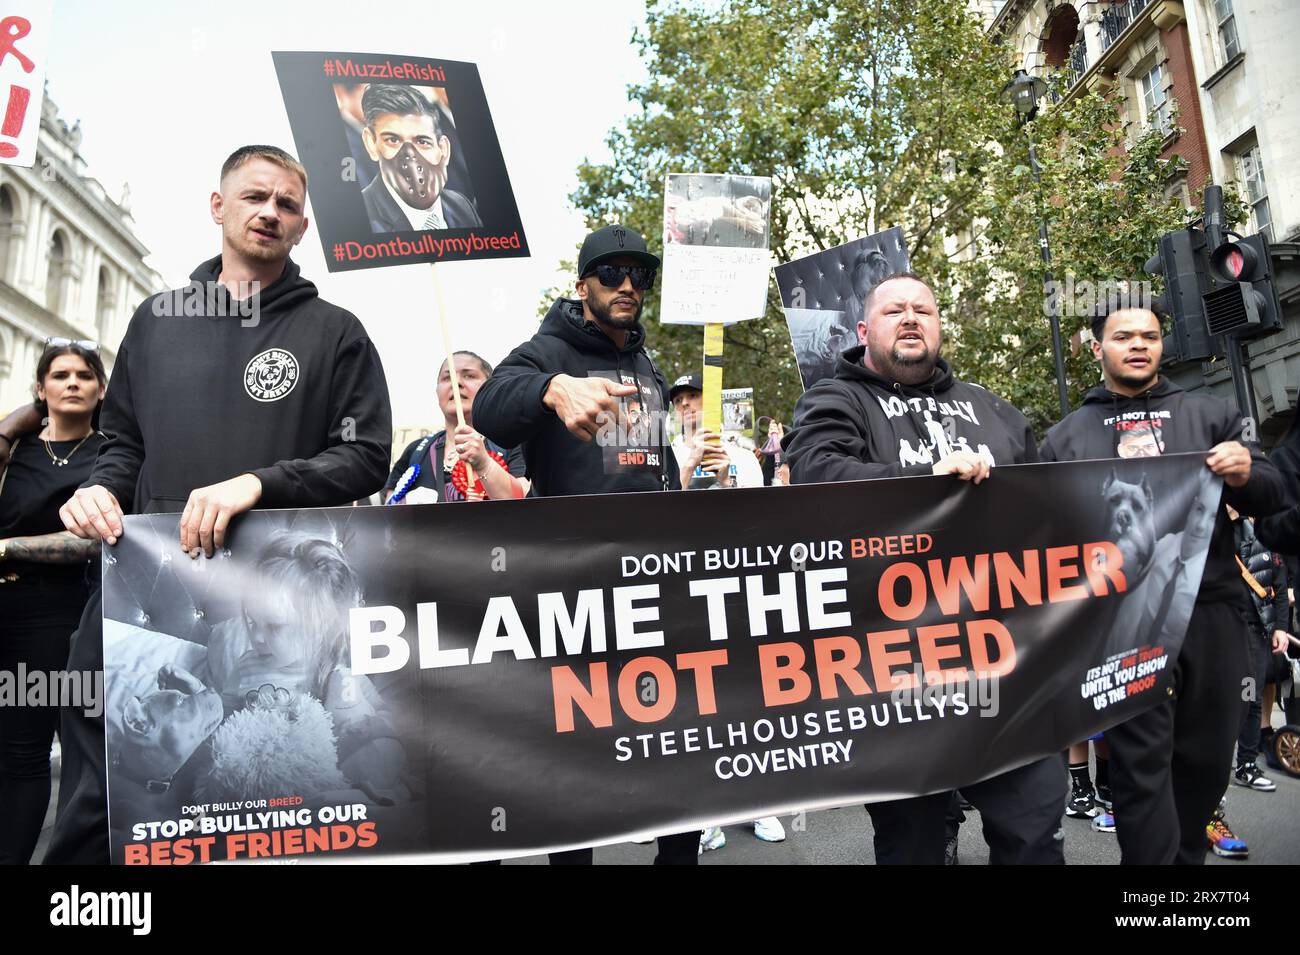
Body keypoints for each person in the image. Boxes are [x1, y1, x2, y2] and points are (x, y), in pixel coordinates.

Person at [46, 144, 393, 864]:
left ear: (303, 227)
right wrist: (99, 491)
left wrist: (261, 482)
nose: (270, 212)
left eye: (288, 205)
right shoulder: (157, 320)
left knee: (246, 819)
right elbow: (120, 442)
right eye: (254, 196)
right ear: (218, 207)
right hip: (139, 603)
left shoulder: (336, 334)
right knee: (103, 805)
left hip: (260, 616)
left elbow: (364, 456)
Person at [783, 271, 1063, 865]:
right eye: (893, 311)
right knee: (914, 844)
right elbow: (815, 478)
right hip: (896, 676)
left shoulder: (996, 410)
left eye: (923, 310)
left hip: (1005, 665)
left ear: (939, 327)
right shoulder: (836, 400)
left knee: (1034, 829)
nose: (910, 318)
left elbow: (1047, 513)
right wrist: (923, 483)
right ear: (863, 331)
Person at [473, 223, 698, 864]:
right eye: (611, 274)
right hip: (578, 591)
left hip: (654, 586)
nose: (628, 286)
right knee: (577, 753)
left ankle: (678, 856)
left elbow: (643, 468)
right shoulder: (546, 350)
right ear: (582, 286)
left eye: (640, 276)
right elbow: (489, 403)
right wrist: (550, 389)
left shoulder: (646, 362)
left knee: (671, 737)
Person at [1038, 297, 1284, 864]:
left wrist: (1247, 474)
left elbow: (1275, 496)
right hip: (1120, 625)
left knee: (1204, 760)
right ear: (1097, 348)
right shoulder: (1066, 439)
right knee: (1140, 767)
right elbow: (1042, 536)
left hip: (1212, 612)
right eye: (1124, 336)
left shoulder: (1212, 415)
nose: (1139, 345)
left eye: (1149, 335)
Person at [0, 341, 108, 864]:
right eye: (59, 374)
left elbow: (94, 539)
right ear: (40, 388)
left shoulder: (109, 457)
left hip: (53, 616)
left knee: (24, 752)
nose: (72, 382)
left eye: (84, 375)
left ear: (101, 389)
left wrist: (6, 547)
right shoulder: (15, 449)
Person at [383, 351, 527, 504]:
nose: (456, 383)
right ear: (437, 391)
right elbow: (388, 519)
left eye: (469, 376)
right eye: (447, 377)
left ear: (490, 388)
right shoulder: (416, 451)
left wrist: (484, 463)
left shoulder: (513, 443)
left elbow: (527, 504)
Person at [359, 84, 482, 234]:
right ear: (371, 144)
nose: (410, 156)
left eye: (423, 142)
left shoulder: (462, 207)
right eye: (393, 140)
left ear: (443, 149)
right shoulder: (358, 218)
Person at [1228, 504, 1287, 791]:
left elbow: (1279, 583)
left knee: (1250, 696)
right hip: (1230, 630)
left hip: (1258, 633)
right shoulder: (1224, 529)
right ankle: (1227, 763)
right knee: (1239, 698)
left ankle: (1246, 764)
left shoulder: (1267, 530)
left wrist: (1281, 629)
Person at [668, 372, 764, 489]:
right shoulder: (667, 457)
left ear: (710, 401)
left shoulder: (744, 454)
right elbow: (662, 505)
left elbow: (756, 504)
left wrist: (727, 482)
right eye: (678, 400)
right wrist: (690, 465)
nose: (684, 403)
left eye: (693, 395)